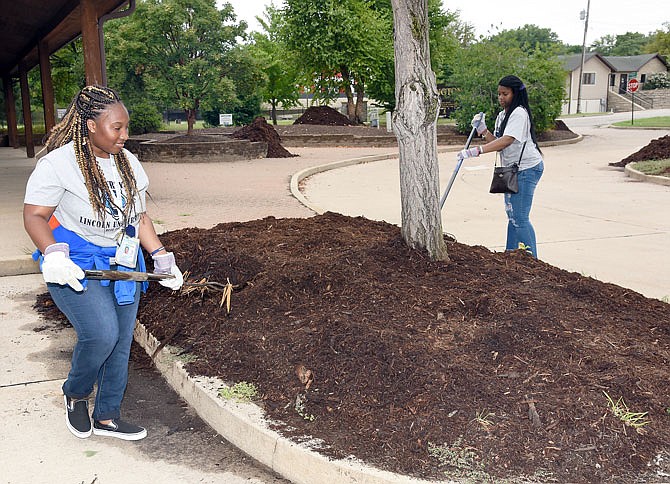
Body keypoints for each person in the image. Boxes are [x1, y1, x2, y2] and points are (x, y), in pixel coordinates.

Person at [23, 85, 184, 441]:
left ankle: (107, 414)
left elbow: (138, 215)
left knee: (122, 340)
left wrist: (159, 256)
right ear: (90, 125)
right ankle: (76, 393)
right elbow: (35, 214)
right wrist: (52, 253)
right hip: (74, 261)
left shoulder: (128, 163)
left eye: (127, 127)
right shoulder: (58, 165)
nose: (125, 135)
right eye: (117, 128)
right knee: (101, 334)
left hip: (123, 260)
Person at [457, 75, 545, 258]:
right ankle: (510, 256)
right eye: (499, 94)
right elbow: (497, 142)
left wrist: (477, 151)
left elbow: (507, 140)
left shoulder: (519, 113)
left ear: (515, 93)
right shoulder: (503, 115)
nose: (501, 98)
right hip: (512, 170)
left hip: (526, 169)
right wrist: (483, 130)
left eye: (505, 94)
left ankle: (534, 261)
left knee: (520, 218)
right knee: (512, 217)